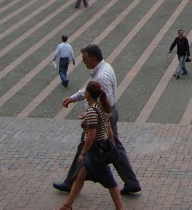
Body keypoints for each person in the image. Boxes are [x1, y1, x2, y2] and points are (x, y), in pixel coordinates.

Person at [54, 44, 142, 196]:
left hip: (103, 117)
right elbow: (91, 90)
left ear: (93, 59)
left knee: (87, 146)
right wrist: (74, 98)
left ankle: (71, 182)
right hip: (108, 114)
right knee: (114, 147)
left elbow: (102, 101)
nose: (83, 61)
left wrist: (91, 115)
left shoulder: (102, 76)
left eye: (85, 59)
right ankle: (131, 182)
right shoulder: (105, 67)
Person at [57, 80, 124, 210]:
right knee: (79, 176)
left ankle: (120, 208)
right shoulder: (100, 107)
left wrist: (83, 153)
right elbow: (108, 126)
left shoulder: (93, 111)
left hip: (95, 152)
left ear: (88, 94)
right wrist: (112, 142)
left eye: (85, 92)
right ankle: (67, 205)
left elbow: (91, 135)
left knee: (110, 181)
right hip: (101, 147)